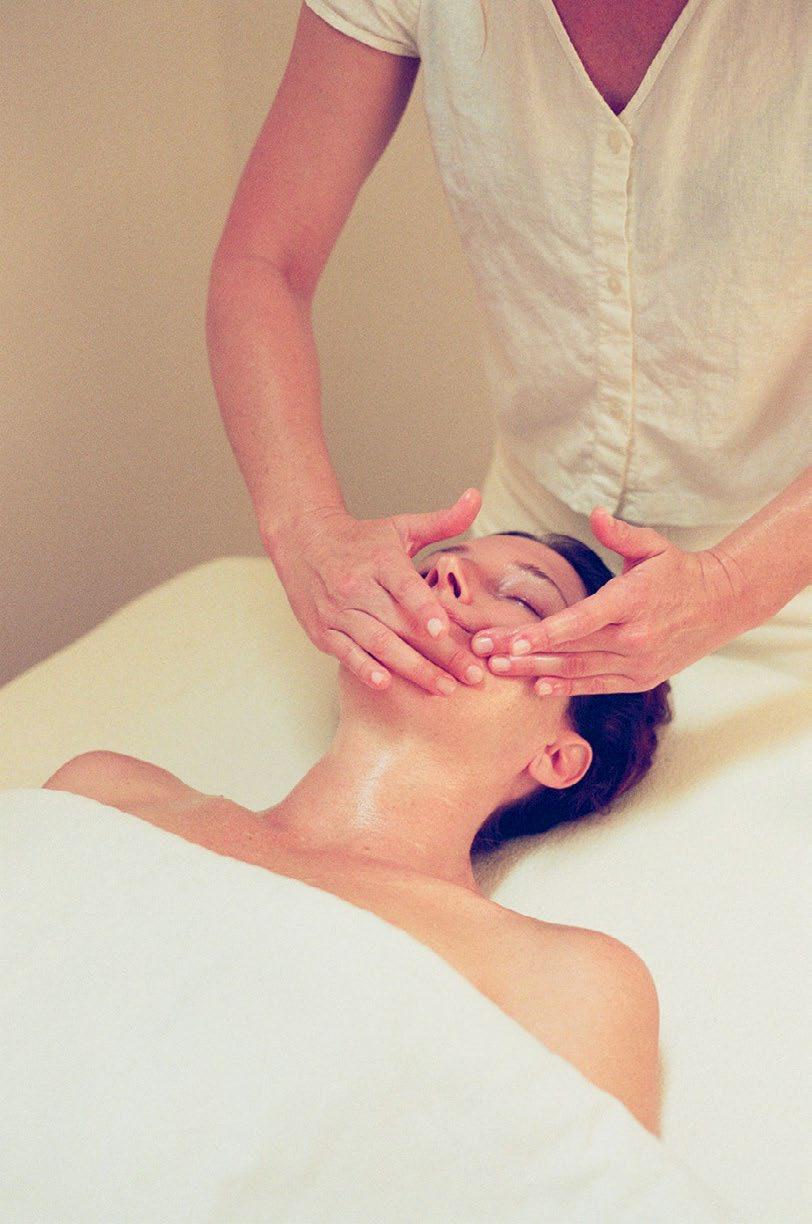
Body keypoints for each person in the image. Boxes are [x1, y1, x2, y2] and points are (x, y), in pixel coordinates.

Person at [205, 0, 810, 701]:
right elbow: (264, 265)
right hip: (527, 536)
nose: (444, 579)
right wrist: (306, 529)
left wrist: (730, 585)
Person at [43, 531, 671, 1135]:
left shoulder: (569, 979)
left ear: (557, 755)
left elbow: (581, 1186)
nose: (442, 575)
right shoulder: (105, 793)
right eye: (429, 567)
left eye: (524, 600)